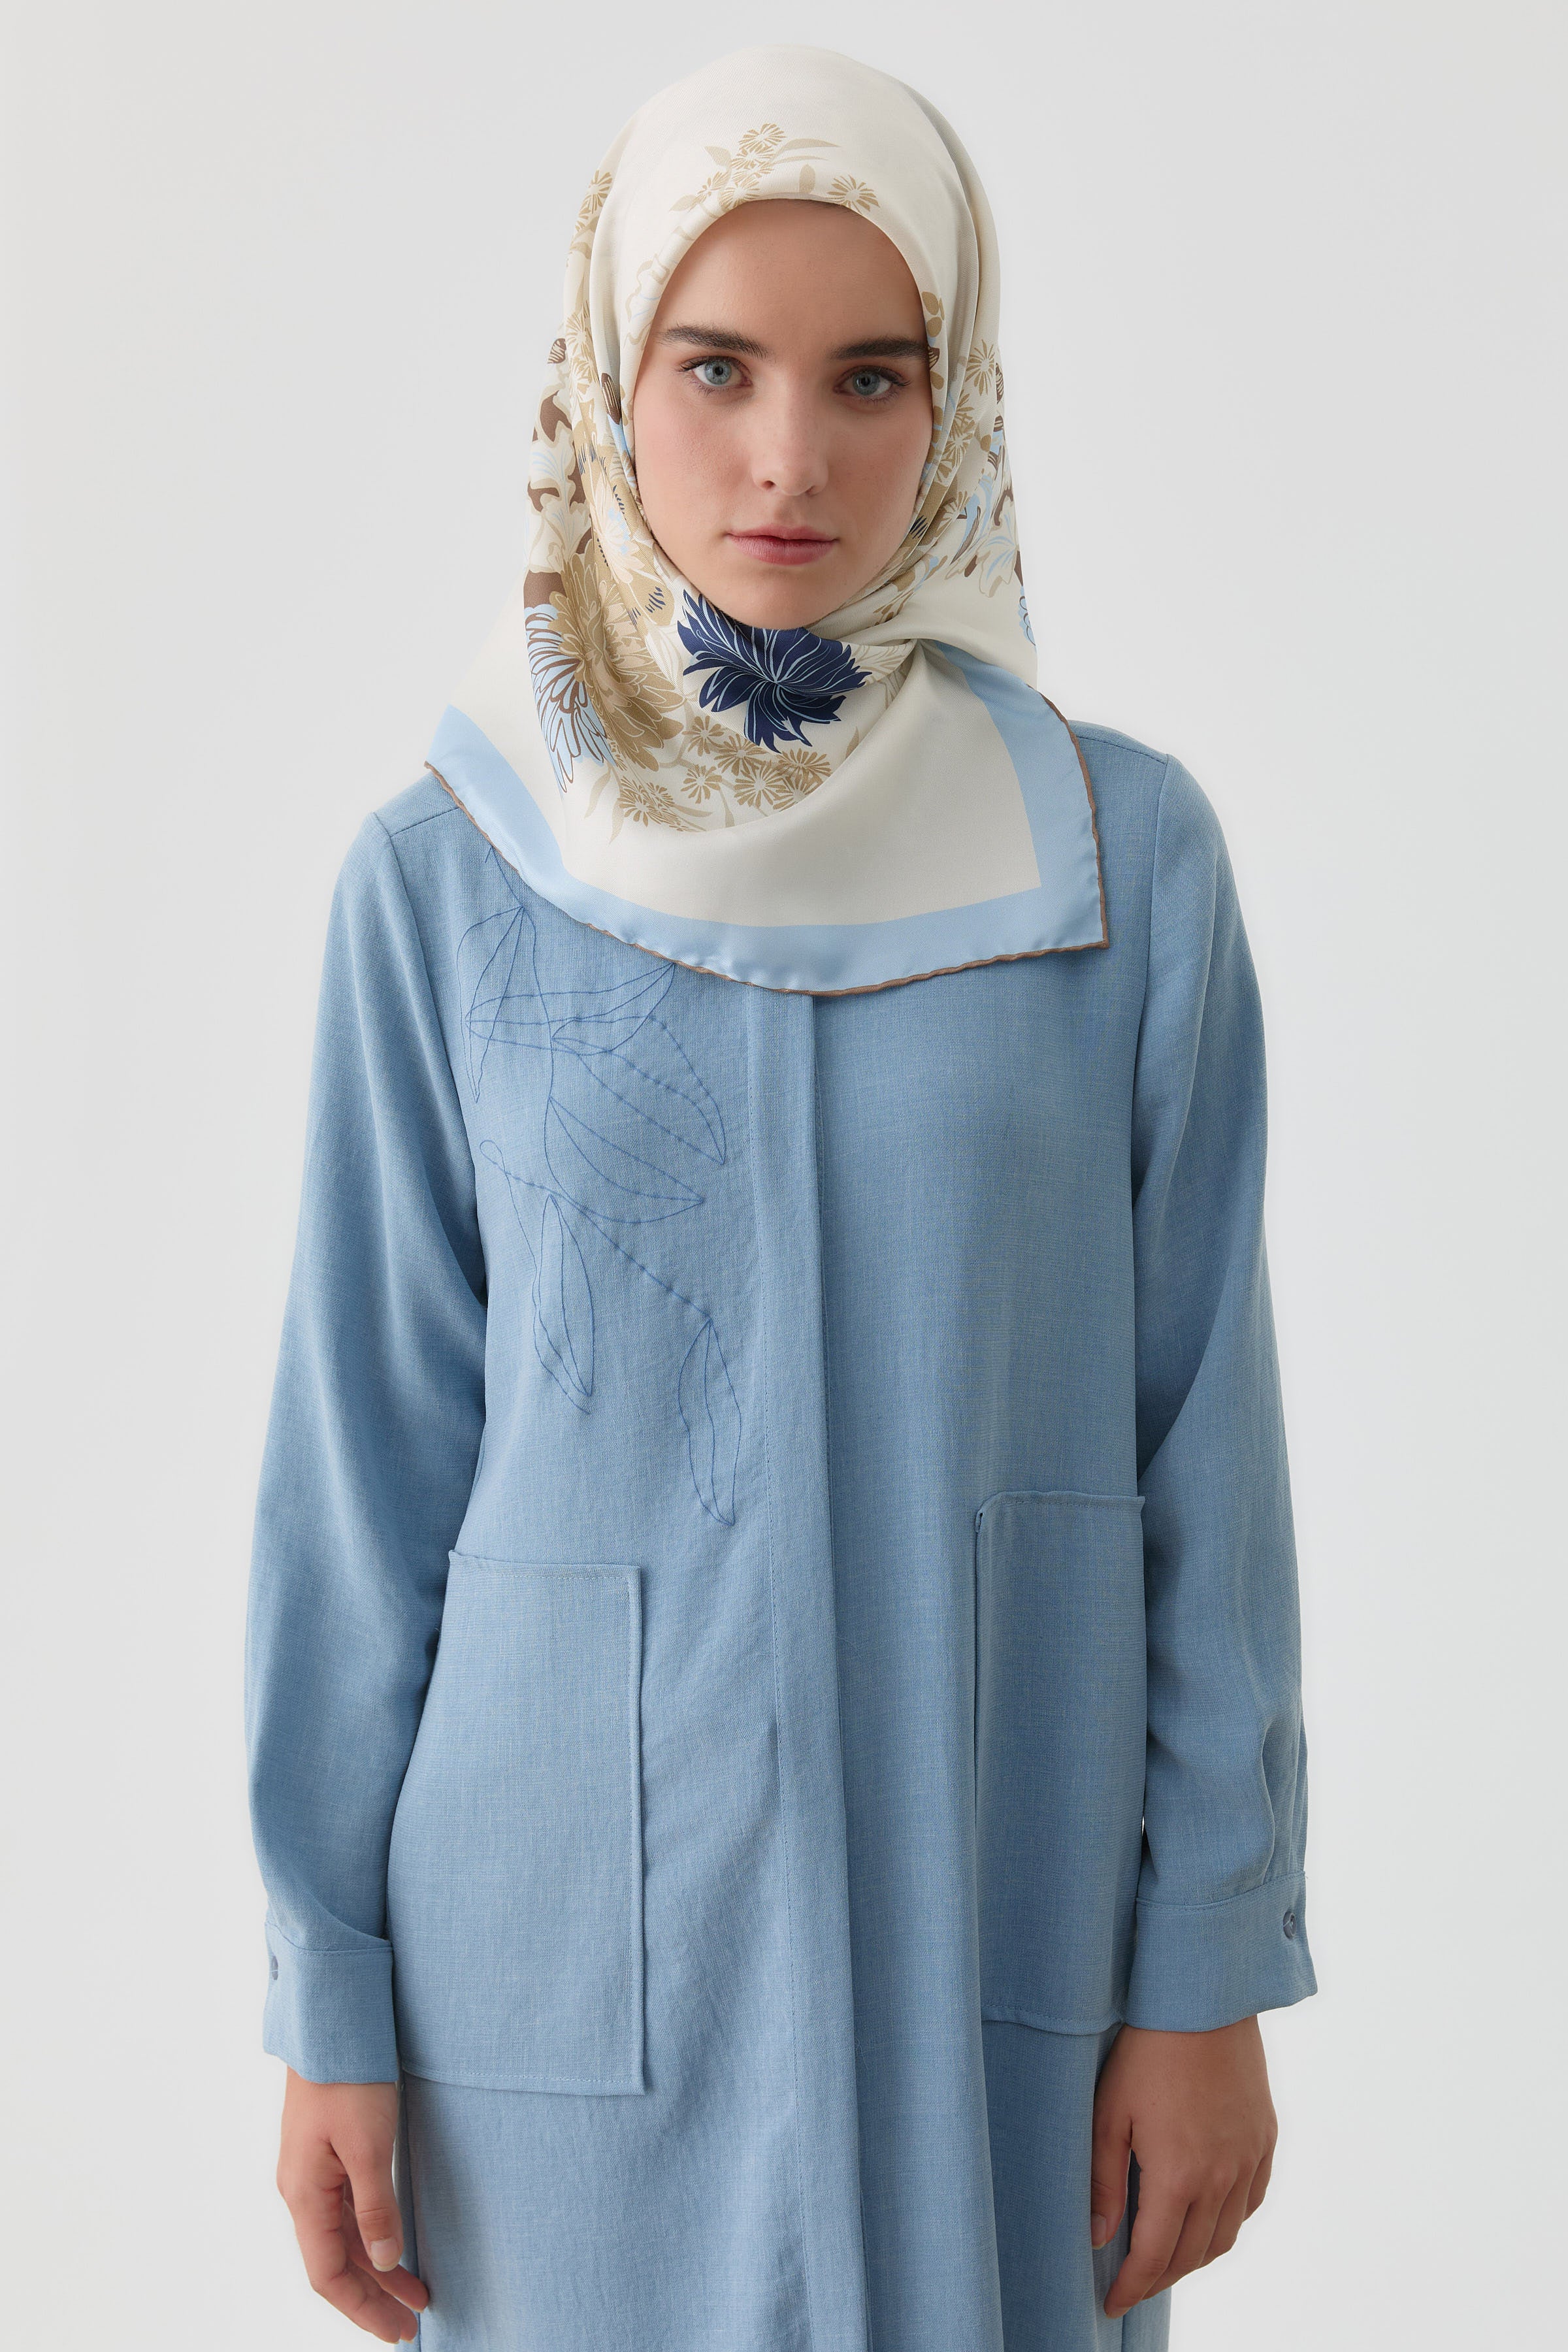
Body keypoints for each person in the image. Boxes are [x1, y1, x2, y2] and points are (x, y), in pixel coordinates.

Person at [245, 41, 1316, 2352]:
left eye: (871, 378)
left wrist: (1209, 1964)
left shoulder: (1119, 865)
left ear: (959, 401)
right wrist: (325, 1985)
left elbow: (1202, 1456)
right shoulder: (448, 878)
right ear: (604, 380)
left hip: (1005, 1932)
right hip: (553, 1987)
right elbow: (364, 1484)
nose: (788, 458)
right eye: (715, 368)